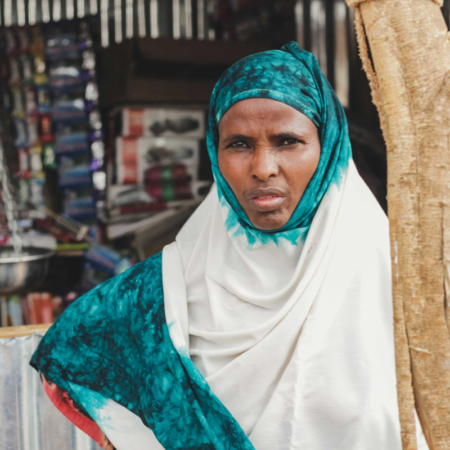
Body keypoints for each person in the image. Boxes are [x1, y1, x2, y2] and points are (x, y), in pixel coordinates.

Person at [31, 41, 427, 450]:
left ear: (328, 150)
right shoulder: (161, 293)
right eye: (238, 144)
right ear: (213, 151)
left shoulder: (398, 282)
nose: (262, 168)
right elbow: (76, 349)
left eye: (287, 141)